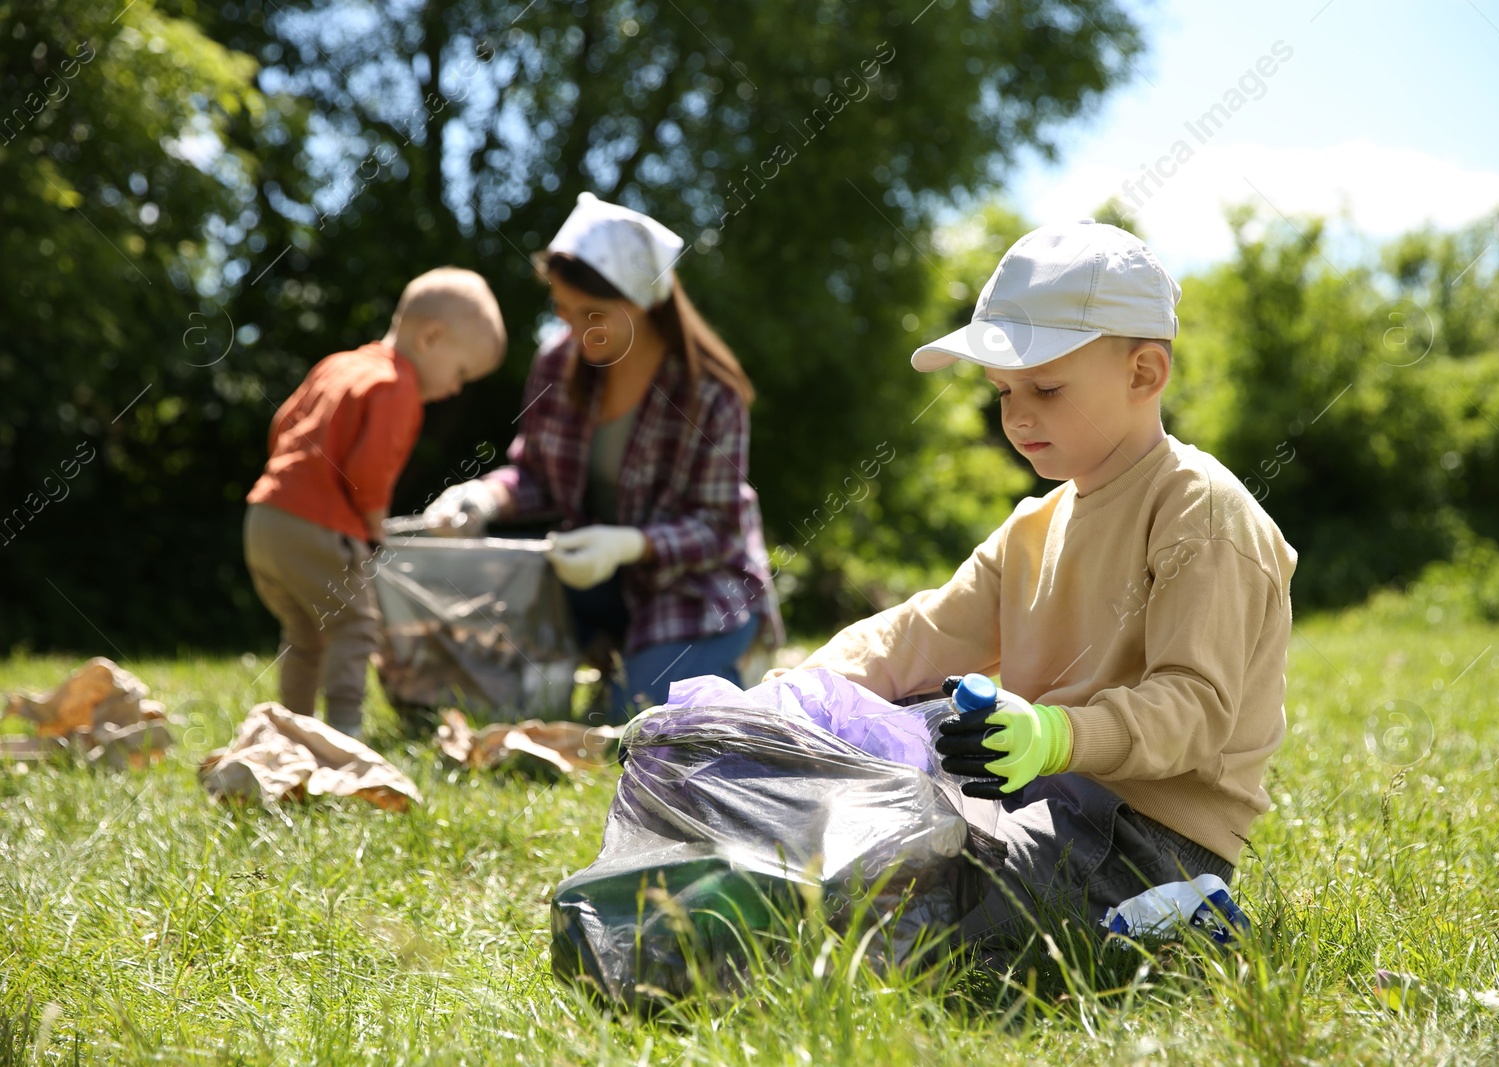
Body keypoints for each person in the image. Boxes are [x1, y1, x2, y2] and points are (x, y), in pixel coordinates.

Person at [780, 219, 1296, 946]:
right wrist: (791, 693)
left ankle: (1182, 919)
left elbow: (1196, 708)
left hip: (1148, 838)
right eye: (1001, 391)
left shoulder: (1199, 511)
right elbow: (919, 634)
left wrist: (1055, 733)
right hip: (1032, 797)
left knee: (920, 927)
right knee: (846, 846)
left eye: (1047, 388)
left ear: (1143, 374)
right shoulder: (1034, 525)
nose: (1017, 417)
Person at [423, 193, 777, 723]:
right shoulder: (556, 364)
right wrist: (483, 496)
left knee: (634, 718)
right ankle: (608, 658)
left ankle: (721, 670)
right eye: (565, 311)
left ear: (644, 301)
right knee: (495, 669)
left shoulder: (711, 395)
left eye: (594, 314)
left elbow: (718, 530)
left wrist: (631, 544)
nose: (575, 329)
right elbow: (534, 476)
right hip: (588, 579)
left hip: (694, 588)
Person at [244, 268, 506, 739]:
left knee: (304, 635)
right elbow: (368, 473)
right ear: (430, 338)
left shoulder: (340, 364)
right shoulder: (396, 385)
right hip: (316, 525)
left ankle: (292, 733)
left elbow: (282, 424)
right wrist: (372, 529)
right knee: (355, 628)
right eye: (461, 372)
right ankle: (346, 735)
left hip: (264, 518)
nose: (455, 389)